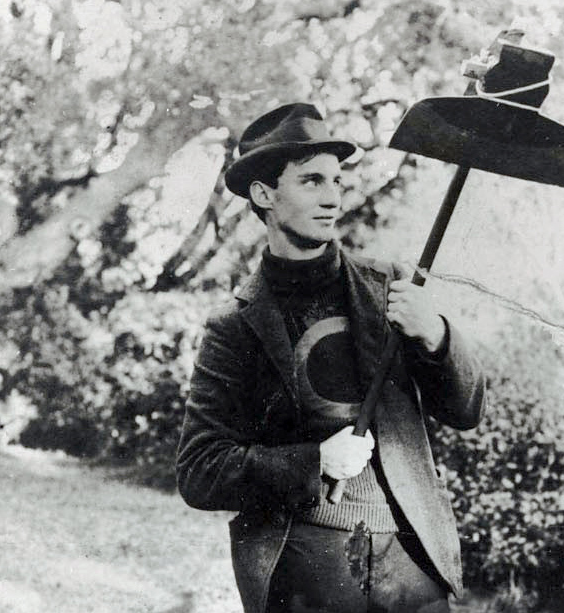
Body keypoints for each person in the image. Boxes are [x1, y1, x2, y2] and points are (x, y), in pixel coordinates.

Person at [176, 102, 485, 613]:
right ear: (264, 194)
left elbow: (466, 410)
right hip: (305, 562)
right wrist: (313, 461)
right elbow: (200, 470)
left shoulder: (388, 287)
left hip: (411, 557)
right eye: (312, 181)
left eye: (336, 181)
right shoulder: (234, 327)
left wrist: (434, 334)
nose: (332, 198)